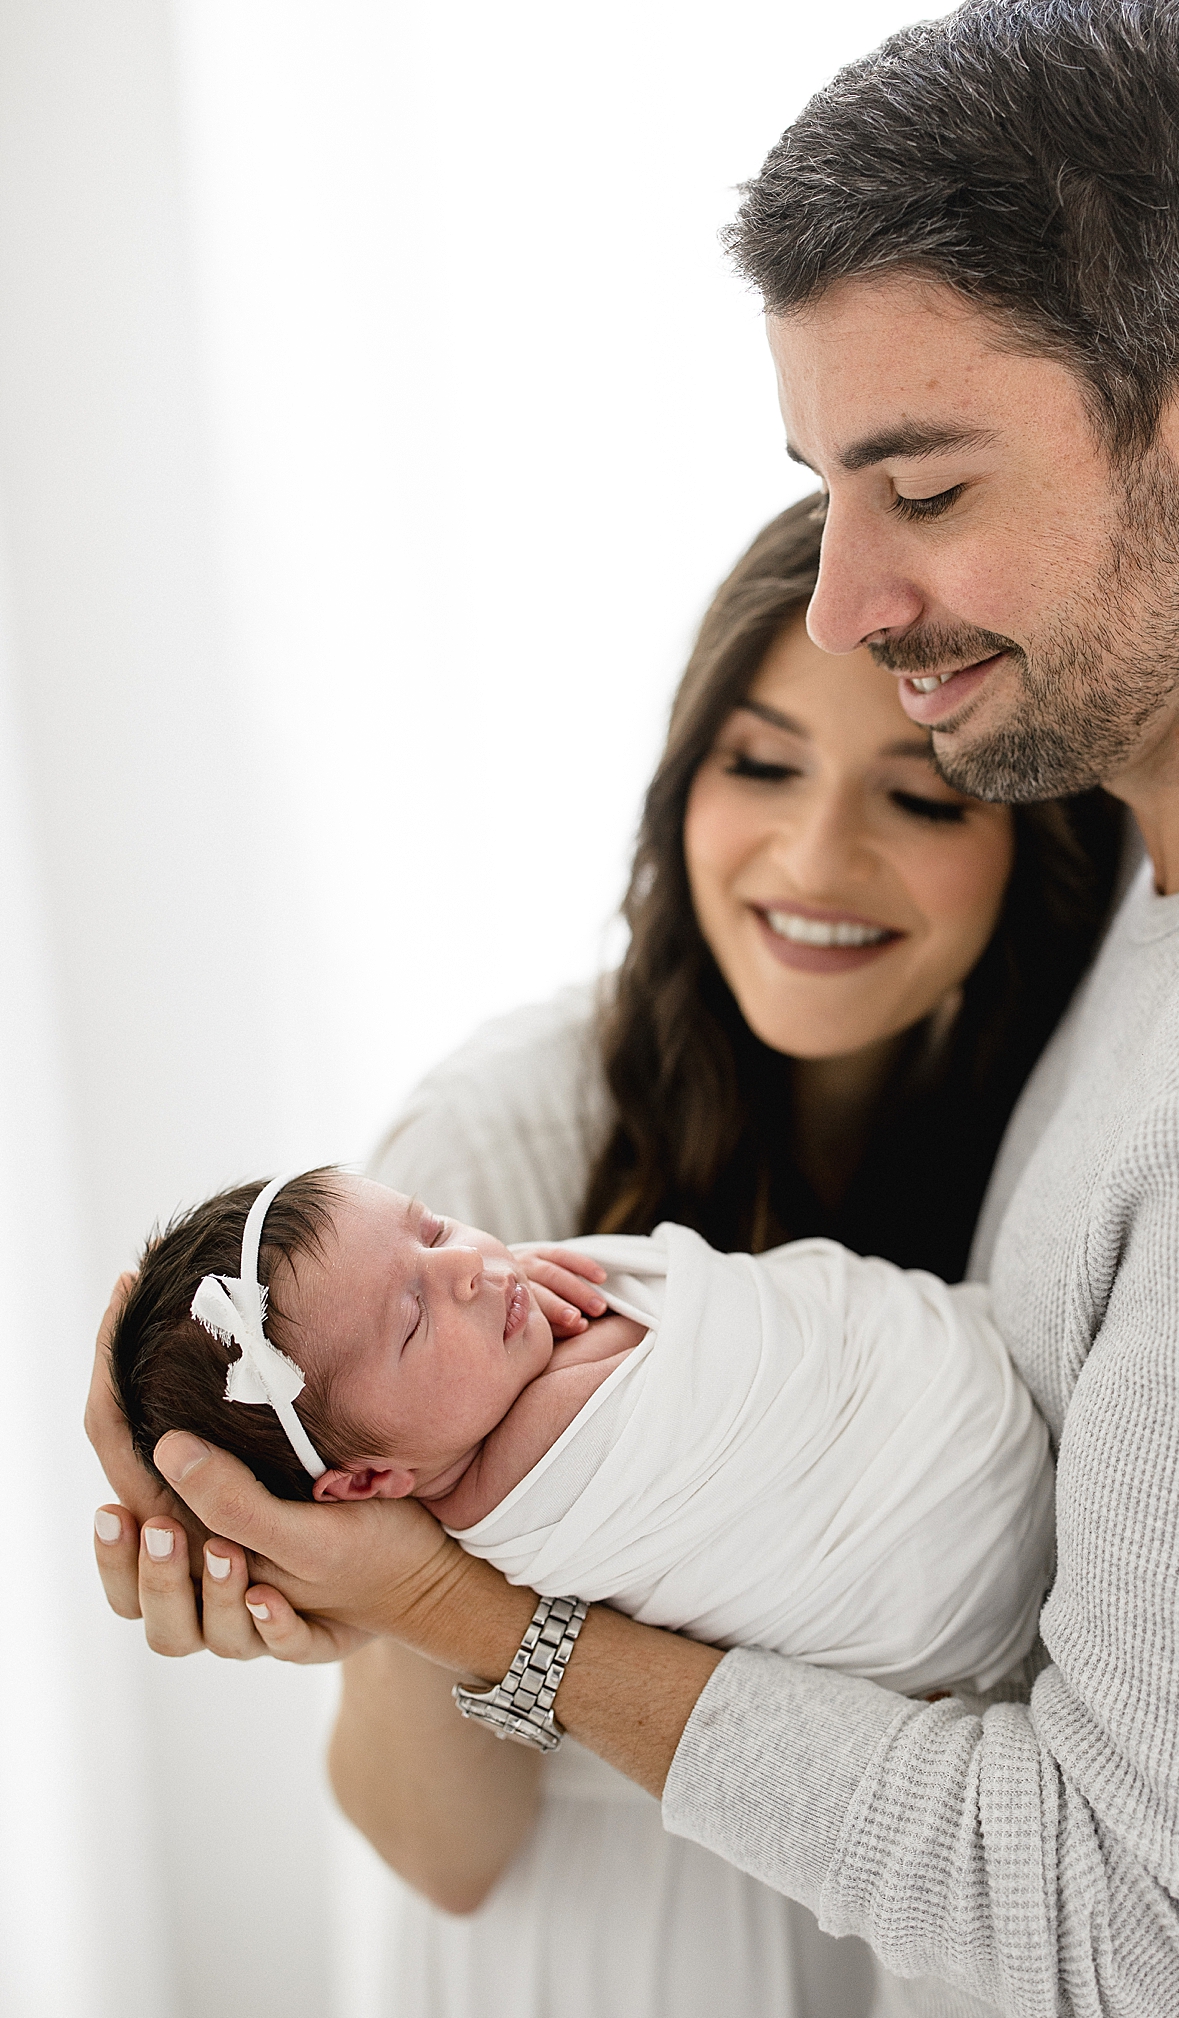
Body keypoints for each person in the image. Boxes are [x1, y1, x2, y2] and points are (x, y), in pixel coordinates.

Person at [88, 494, 1121, 2018]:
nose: (815, 856)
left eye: (922, 798)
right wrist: (391, 1597)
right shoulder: (490, 1166)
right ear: (679, 780)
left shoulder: (1064, 1135)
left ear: (1029, 835)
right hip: (617, 1953)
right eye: (758, 764)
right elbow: (440, 1850)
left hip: (932, 1922)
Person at [111, 1171, 1055, 1692]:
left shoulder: (492, 1353)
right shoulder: (519, 1495)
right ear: (367, 1483)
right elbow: (700, 1377)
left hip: (920, 1410)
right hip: (940, 1518)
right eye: (412, 1323)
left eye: (431, 1231)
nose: (475, 1270)